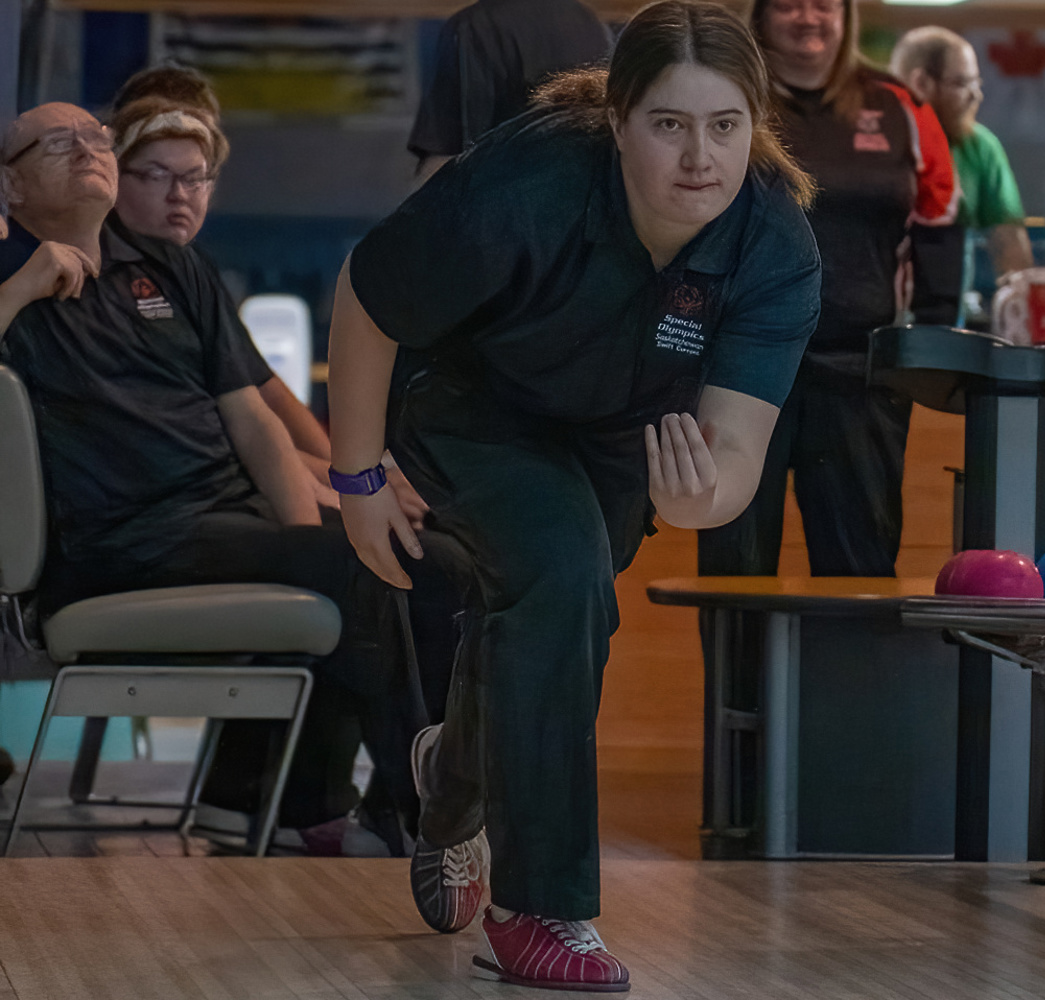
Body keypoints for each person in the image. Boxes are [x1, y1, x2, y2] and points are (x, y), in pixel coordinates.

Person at [327, 1, 821, 989]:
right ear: (618, 117)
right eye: (668, 125)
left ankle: (448, 775)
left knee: (560, 612)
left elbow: (732, 457)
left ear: (754, 125)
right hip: (464, 397)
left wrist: (694, 503)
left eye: (724, 127)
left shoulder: (774, 245)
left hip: (610, 431)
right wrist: (358, 476)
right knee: (559, 572)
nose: (699, 158)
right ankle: (539, 911)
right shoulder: (530, 178)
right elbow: (368, 299)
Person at [0, 102, 450, 855]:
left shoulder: (170, 266)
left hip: (222, 517)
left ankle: (294, 805)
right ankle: (425, 819)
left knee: (428, 557)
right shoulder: (13, 281)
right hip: (117, 544)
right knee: (364, 566)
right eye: (55, 143)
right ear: (9, 190)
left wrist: (309, 539)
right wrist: (21, 286)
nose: (84, 148)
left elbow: (253, 423)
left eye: (94, 136)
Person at [696, 0, 957, 582]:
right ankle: (740, 681)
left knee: (859, 575)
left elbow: (941, 225)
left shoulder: (901, 107)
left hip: (859, 374)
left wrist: (927, 349)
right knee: (732, 579)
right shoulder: (725, 99)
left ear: (846, 15)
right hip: (742, 369)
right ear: (760, 15)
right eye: (788, 4)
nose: (807, 17)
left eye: (822, 4)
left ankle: (852, 680)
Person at [407, 0, 613, 180]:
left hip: (506, 209)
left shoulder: (472, 27)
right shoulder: (590, 21)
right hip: (584, 206)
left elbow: (452, 162)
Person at [890, 26, 1032, 282]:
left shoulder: (980, 146)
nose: (976, 95)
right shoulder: (876, 141)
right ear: (920, 83)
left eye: (976, 83)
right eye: (962, 83)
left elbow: (1008, 239)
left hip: (949, 307)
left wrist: (1019, 299)